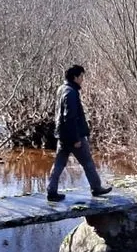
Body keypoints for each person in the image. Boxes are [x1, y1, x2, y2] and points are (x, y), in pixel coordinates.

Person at [46, 65, 112, 202]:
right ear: (75, 77)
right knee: (87, 162)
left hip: (62, 135)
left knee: (59, 164)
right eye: (81, 76)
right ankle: (96, 188)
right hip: (73, 135)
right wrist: (75, 138)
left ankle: (51, 191)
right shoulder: (71, 92)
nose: (83, 79)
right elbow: (70, 117)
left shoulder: (62, 89)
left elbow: (60, 115)